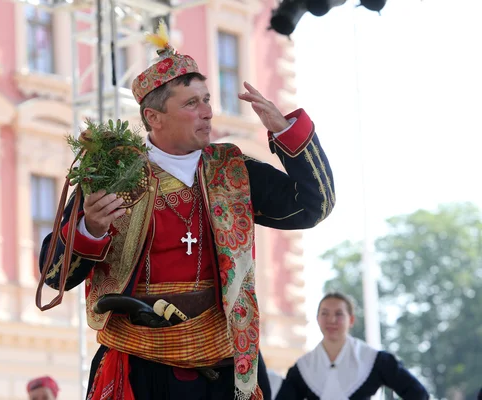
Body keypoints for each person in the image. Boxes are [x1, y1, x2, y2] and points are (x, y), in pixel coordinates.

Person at [39, 21, 334, 400]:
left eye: (207, 99)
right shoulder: (112, 174)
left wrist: (287, 133)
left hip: (227, 360)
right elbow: (52, 277)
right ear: (154, 118)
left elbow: (315, 205)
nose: (207, 112)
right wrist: (90, 228)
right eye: (191, 103)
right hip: (142, 364)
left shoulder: (232, 170)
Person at [276, 292, 429, 400]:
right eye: (325, 313)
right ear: (317, 319)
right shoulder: (303, 368)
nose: (331, 320)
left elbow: (418, 394)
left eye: (339, 314)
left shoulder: (374, 360)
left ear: (351, 320)